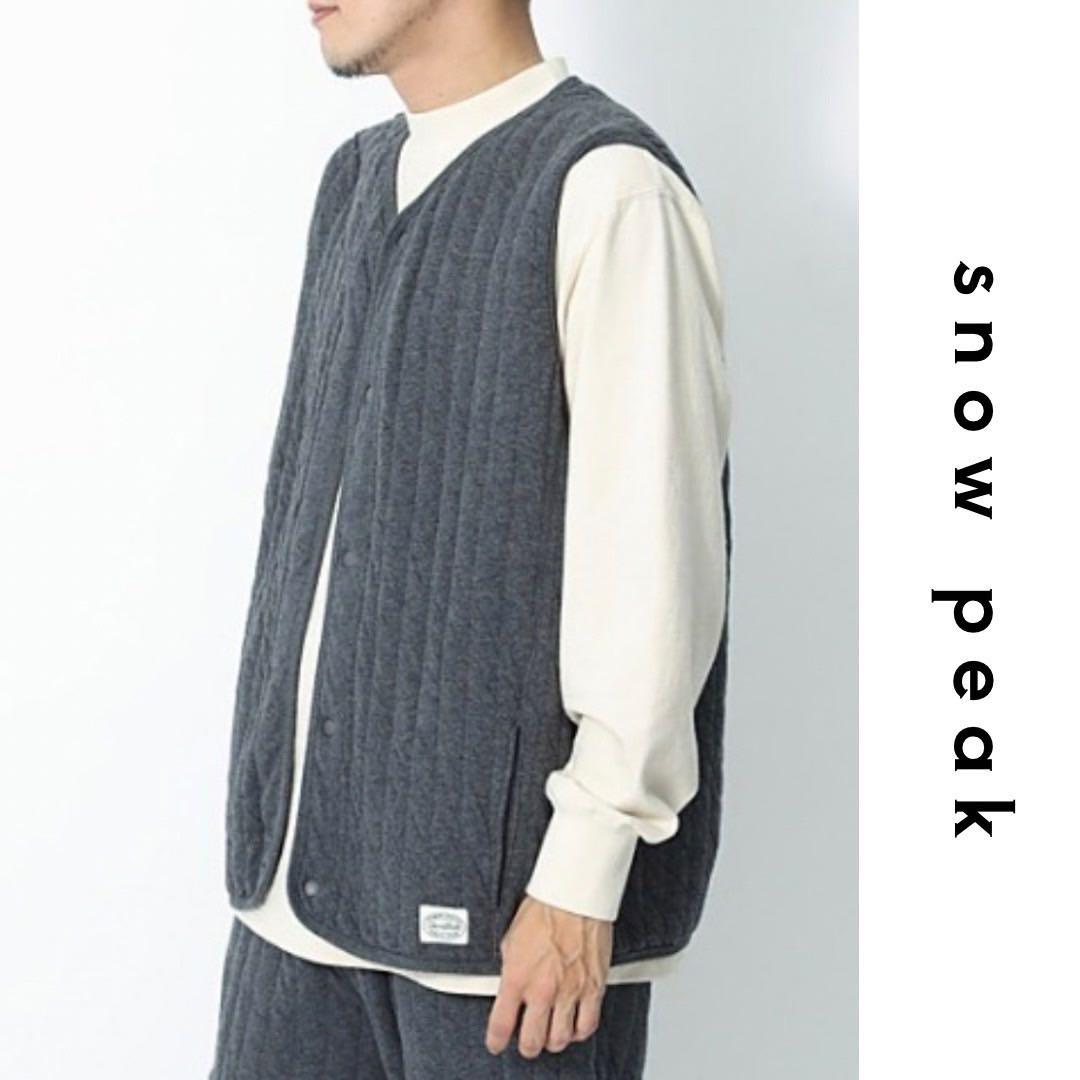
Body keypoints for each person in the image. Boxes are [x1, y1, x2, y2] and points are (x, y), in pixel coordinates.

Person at [208, 1, 733, 1076]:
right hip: (294, 904)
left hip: (514, 936)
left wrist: (582, 875)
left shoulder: (609, 189)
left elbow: (655, 568)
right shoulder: (355, 180)